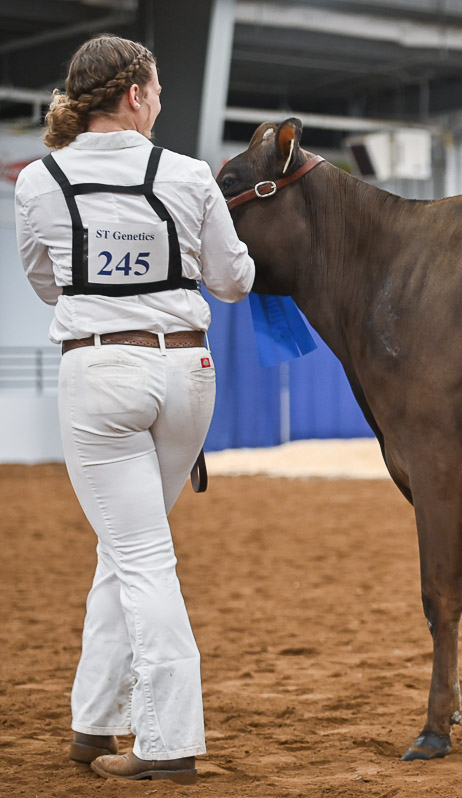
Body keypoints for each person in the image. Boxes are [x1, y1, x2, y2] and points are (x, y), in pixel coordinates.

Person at [14, 35, 254, 783]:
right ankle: (94, 722)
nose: (158, 103)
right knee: (127, 549)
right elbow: (233, 280)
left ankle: (168, 740)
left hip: (100, 371)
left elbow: (45, 282)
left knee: (138, 553)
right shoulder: (185, 174)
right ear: (135, 95)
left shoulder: (38, 179)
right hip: (188, 371)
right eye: (154, 91)